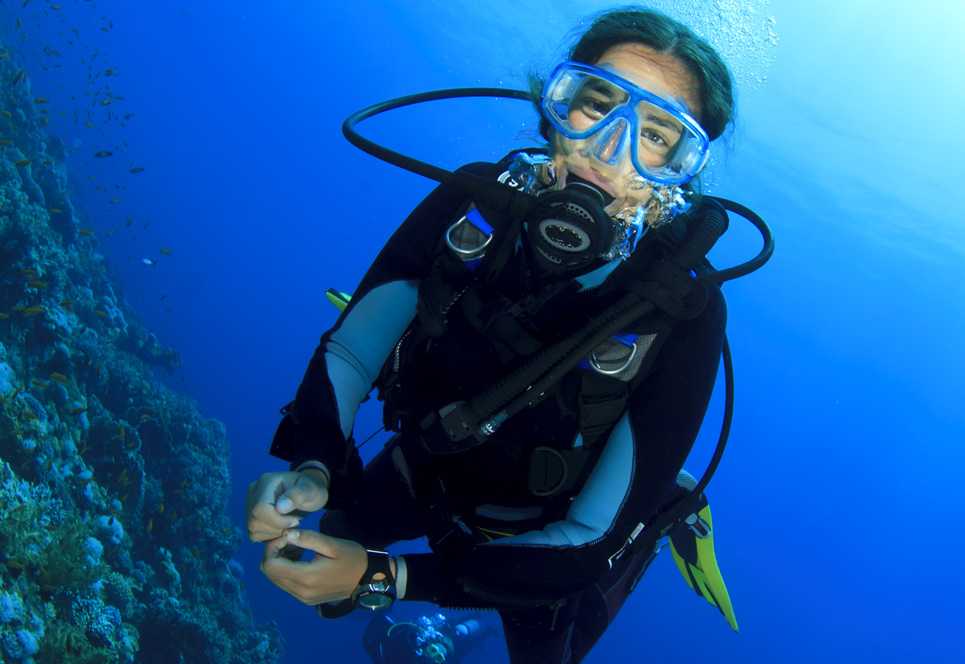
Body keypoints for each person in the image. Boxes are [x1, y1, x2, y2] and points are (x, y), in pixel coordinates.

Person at [247, 6, 759, 663]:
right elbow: (351, 345)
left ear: (681, 172)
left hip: (546, 538)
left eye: (657, 136)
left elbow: (584, 545)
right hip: (426, 465)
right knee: (330, 561)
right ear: (556, 104)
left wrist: (385, 578)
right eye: (595, 103)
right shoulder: (474, 201)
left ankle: (662, 497)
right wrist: (311, 466)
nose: (609, 147)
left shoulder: (683, 313)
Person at [362, 612, 499, 663]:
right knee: (453, 627)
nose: (433, 657)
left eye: (438, 657)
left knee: (465, 643)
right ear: (428, 646)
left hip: (454, 642)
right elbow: (374, 638)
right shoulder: (407, 646)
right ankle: (479, 616)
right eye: (433, 650)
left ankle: (486, 624)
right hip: (447, 633)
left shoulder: (456, 653)